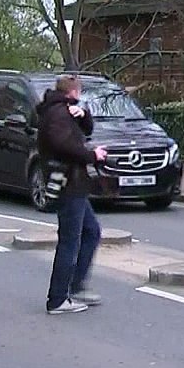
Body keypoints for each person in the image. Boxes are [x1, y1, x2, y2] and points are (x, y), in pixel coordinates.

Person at [37, 75, 109, 315]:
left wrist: (83, 115)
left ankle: (75, 286)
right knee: (70, 240)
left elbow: (85, 131)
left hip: (76, 183)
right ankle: (58, 298)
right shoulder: (57, 114)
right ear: (74, 91)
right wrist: (93, 155)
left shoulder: (66, 110)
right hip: (68, 183)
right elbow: (63, 145)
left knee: (91, 232)